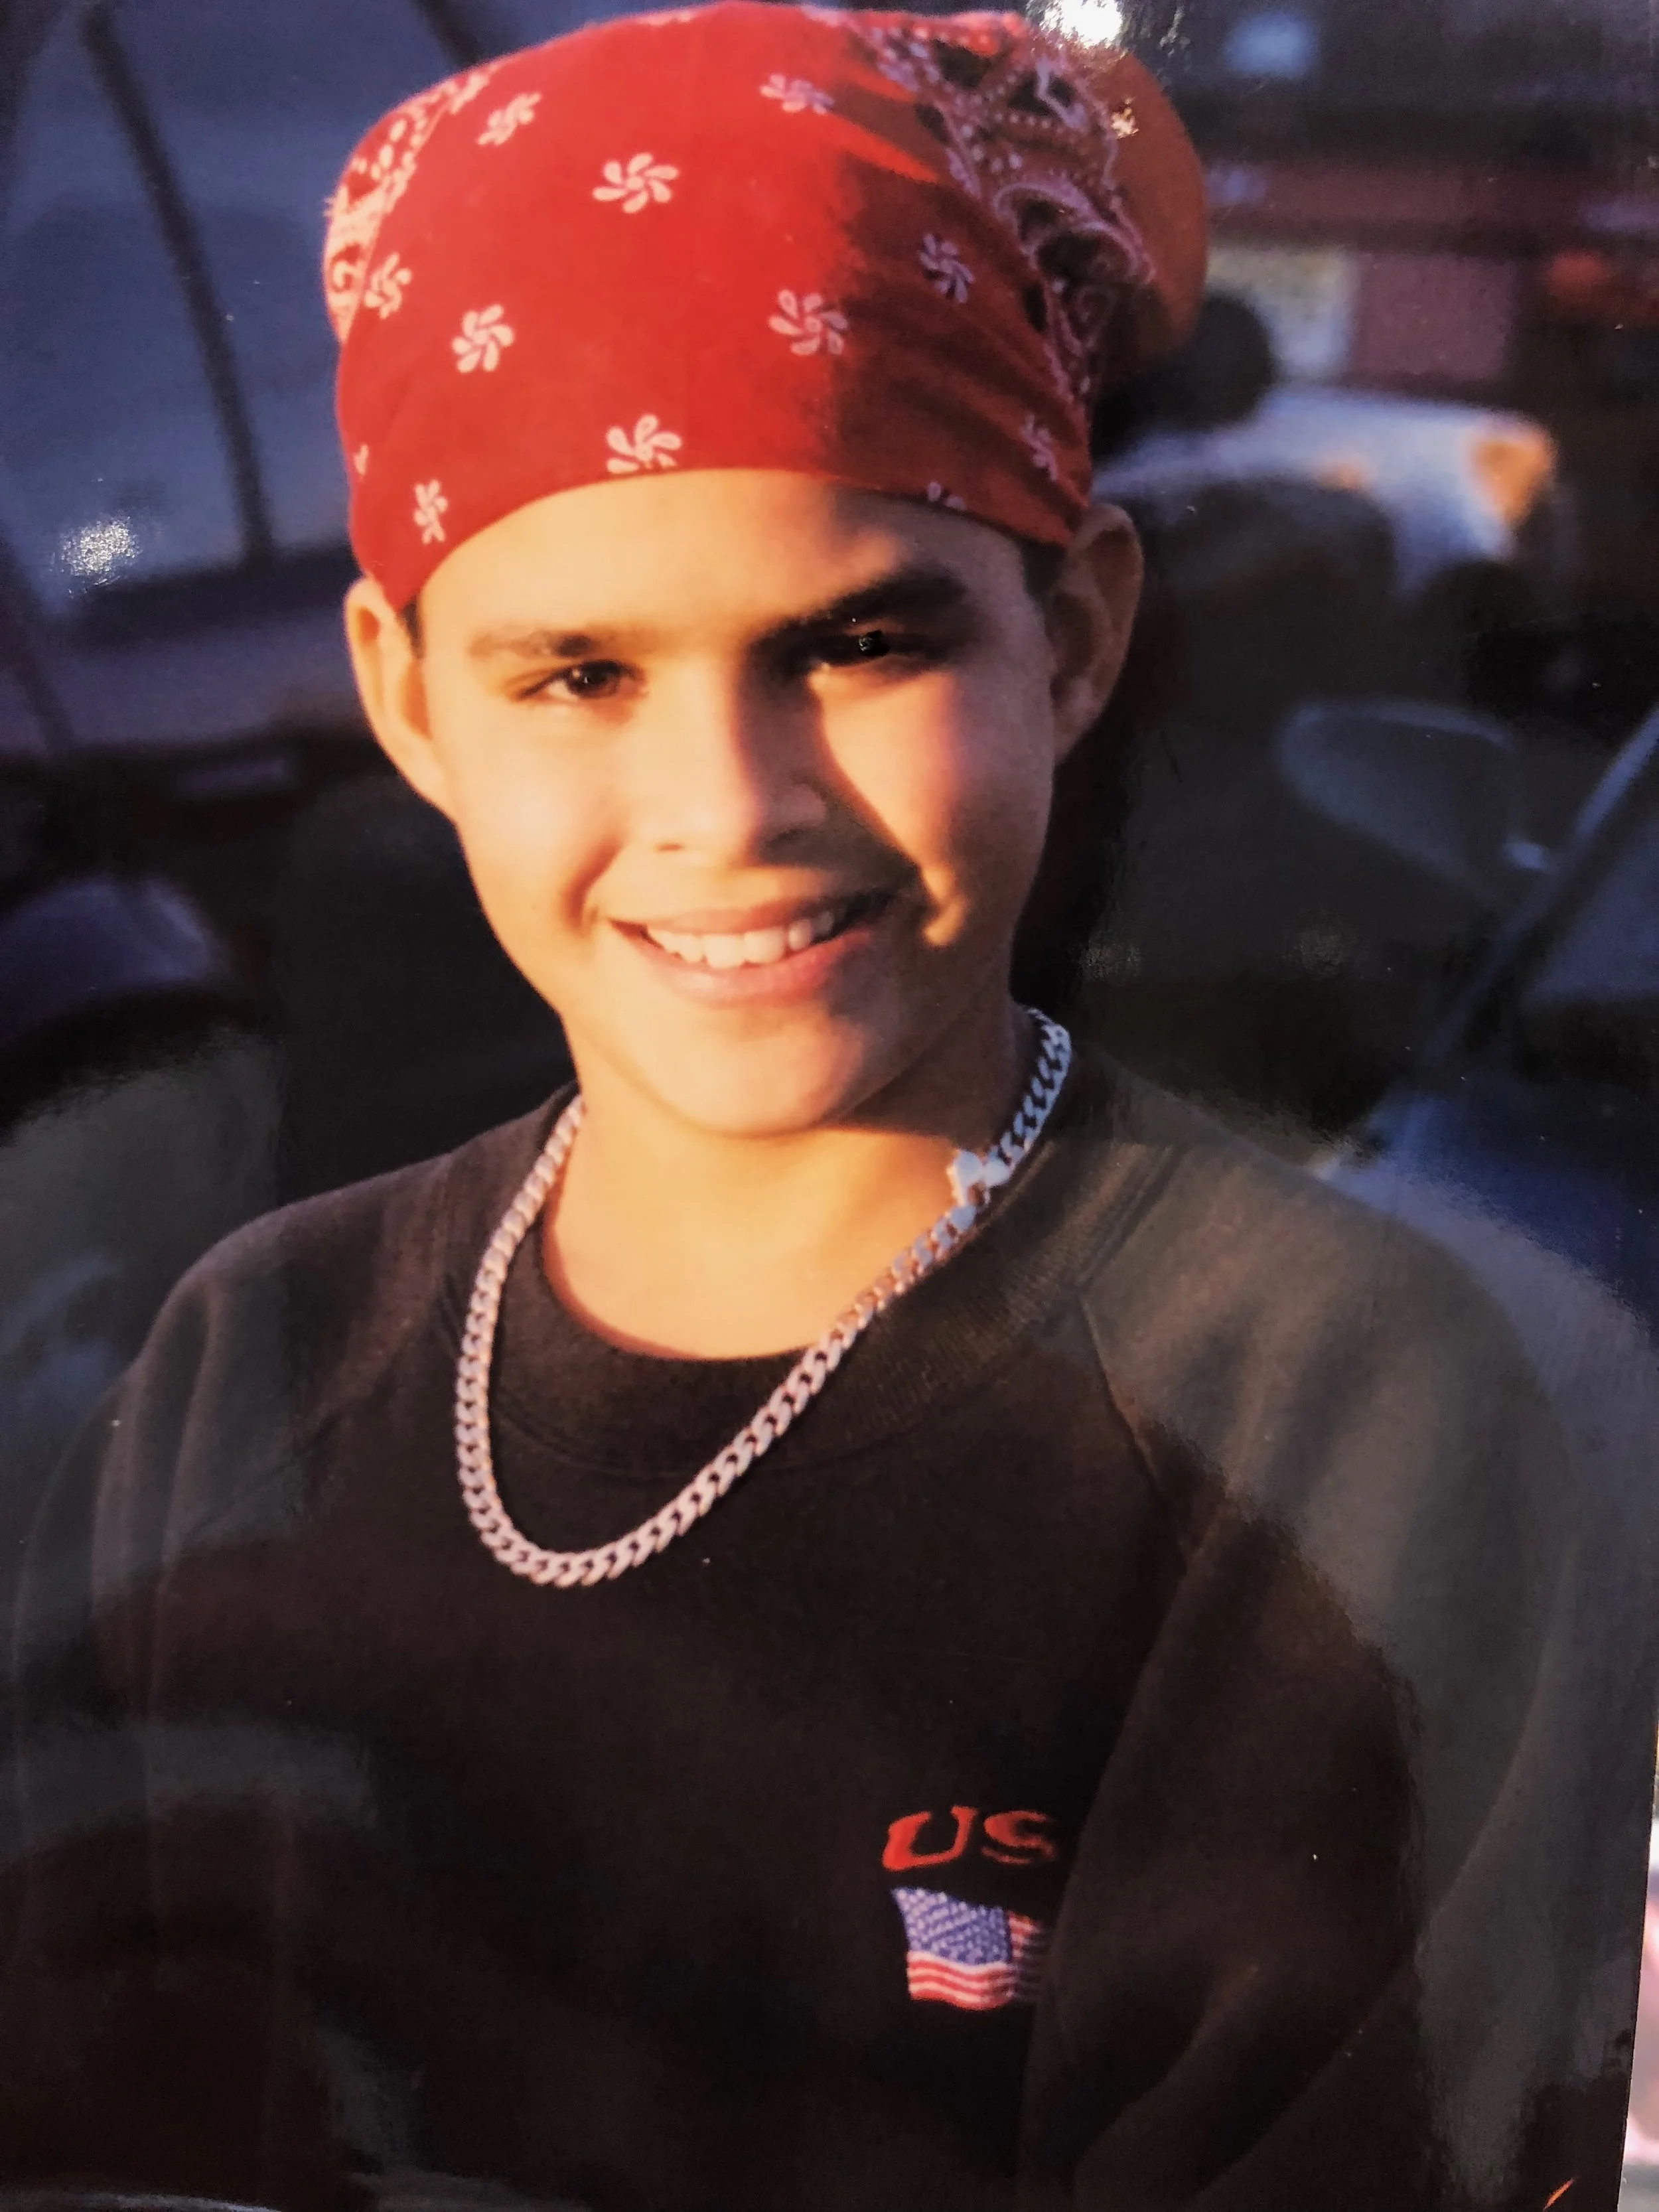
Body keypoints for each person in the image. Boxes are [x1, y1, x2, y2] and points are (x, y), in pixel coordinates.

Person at [0, 8, 1643, 2209]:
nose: (732, 805)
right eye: (578, 673)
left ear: (1074, 638)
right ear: (409, 698)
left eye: (862, 643)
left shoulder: (1334, 1412)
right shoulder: (251, 1359)